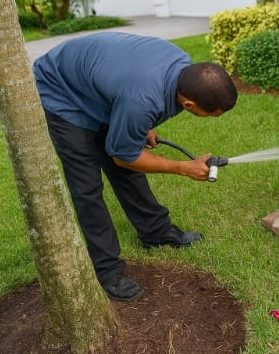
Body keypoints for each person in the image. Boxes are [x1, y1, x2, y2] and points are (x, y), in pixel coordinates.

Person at [32, 32, 238, 301]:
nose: (212, 119)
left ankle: (155, 232)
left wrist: (140, 125)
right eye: (212, 114)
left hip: (99, 85)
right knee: (88, 187)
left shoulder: (181, 68)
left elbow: (134, 96)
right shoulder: (141, 100)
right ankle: (107, 271)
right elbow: (123, 156)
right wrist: (181, 167)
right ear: (189, 104)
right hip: (62, 90)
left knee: (127, 157)